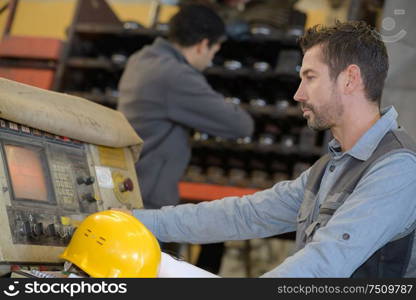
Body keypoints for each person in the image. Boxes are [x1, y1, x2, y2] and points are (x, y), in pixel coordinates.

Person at [127, 20, 416, 277]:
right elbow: (245, 215)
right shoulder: (331, 167)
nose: (298, 94)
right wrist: (134, 221)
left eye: (310, 77)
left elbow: (324, 263)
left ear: (350, 79)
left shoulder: (397, 168)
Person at [117, 4, 254, 273]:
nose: (212, 58)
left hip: (132, 189)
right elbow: (240, 124)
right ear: (203, 45)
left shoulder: (142, 59)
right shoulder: (176, 75)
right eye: (215, 50)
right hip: (151, 205)